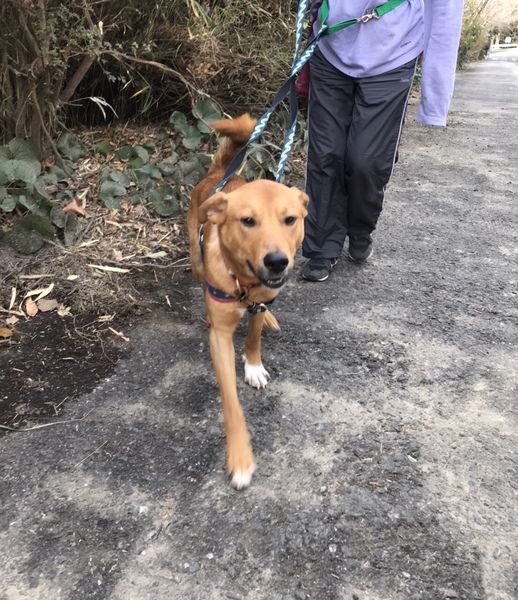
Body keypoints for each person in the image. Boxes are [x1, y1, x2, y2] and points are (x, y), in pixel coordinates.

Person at [301, 0, 465, 282]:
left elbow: (445, 12)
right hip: (330, 42)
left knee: (366, 161)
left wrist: (435, 100)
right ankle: (322, 246)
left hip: (394, 52)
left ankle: (360, 228)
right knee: (325, 153)